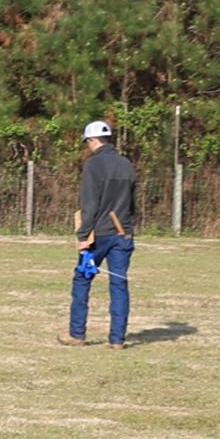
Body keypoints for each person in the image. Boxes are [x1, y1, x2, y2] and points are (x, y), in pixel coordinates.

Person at [63, 118, 137, 350]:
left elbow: (90, 203)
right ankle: (117, 339)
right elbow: (133, 203)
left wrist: (83, 236)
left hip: (99, 234)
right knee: (119, 284)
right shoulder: (127, 164)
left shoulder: (93, 165)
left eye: (88, 142)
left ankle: (77, 334)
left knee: (82, 278)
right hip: (123, 233)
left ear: (93, 140)